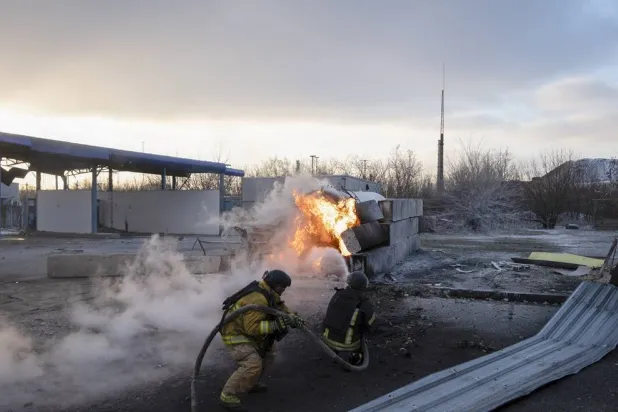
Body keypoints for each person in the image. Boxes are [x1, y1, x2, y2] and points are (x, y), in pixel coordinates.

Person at [219, 269, 304, 411]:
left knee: (268, 356)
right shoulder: (258, 298)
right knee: (252, 363)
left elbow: (279, 307)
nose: (283, 290)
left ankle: (249, 384)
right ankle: (227, 395)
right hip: (235, 334)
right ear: (274, 284)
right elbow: (251, 328)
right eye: (282, 287)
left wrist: (292, 317)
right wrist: (276, 325)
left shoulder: (268, 292)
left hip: (247, 333)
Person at [321, 270, 377, 366]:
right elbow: (371, 326)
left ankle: (334, 352)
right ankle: (355, 356)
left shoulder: (337, 294)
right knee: (359, 329)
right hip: (348, 344)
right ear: (364, 286)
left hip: (327, 338)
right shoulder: (364, 303)